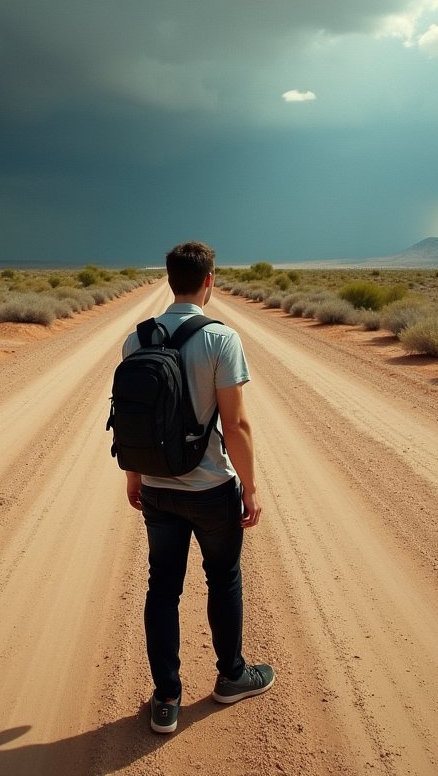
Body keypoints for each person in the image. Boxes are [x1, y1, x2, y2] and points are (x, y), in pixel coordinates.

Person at [122, 241, 274, 735]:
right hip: (210, 489)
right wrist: (249, 488)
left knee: (161, 588)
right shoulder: (221, 340)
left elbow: (130, 420)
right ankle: (232, 676)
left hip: (159, 489)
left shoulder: (136, 340)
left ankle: (166, 699)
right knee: (223, 577)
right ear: (210, 280)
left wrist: (135, 476)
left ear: (170, 280)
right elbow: (238, 425)